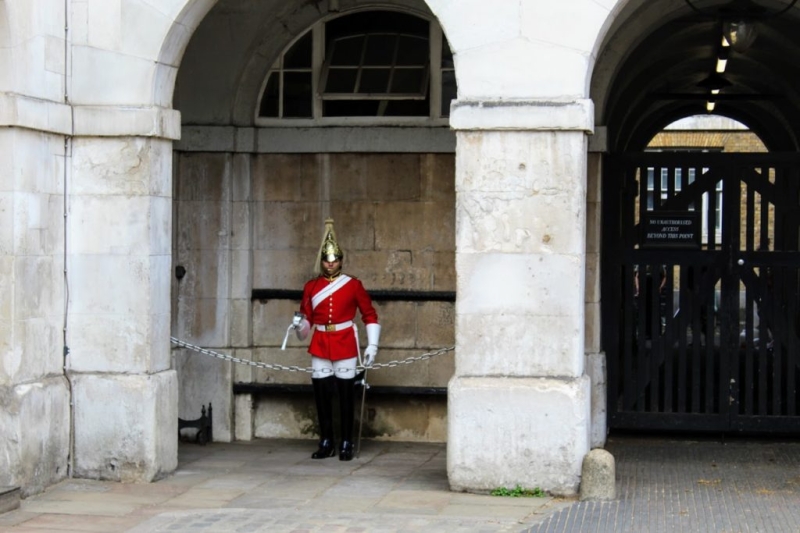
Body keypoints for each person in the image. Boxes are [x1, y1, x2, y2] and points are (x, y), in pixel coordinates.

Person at [289, 219, 380, 461]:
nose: (331, 264)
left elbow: (369, 314)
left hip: (344, 342)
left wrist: (372, 345)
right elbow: (306, 324)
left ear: (341, 260)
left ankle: (347, 441)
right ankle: (326, 440)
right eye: (327, 260)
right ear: (322, 261)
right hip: (320, 342)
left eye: (335, 260)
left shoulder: (353, 285)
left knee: (346, 396)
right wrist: (299, 326)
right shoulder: (311, 287)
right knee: (321, 395)